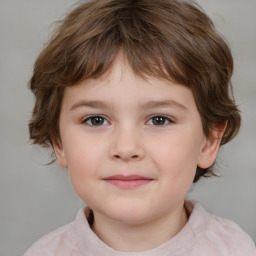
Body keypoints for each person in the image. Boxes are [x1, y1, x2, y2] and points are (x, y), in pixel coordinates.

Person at [24, 0, 256, 255]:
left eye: (159, 120)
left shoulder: (236, 249)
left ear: (209, 140)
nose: (126, 148)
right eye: (96, 120)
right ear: (59, 142)